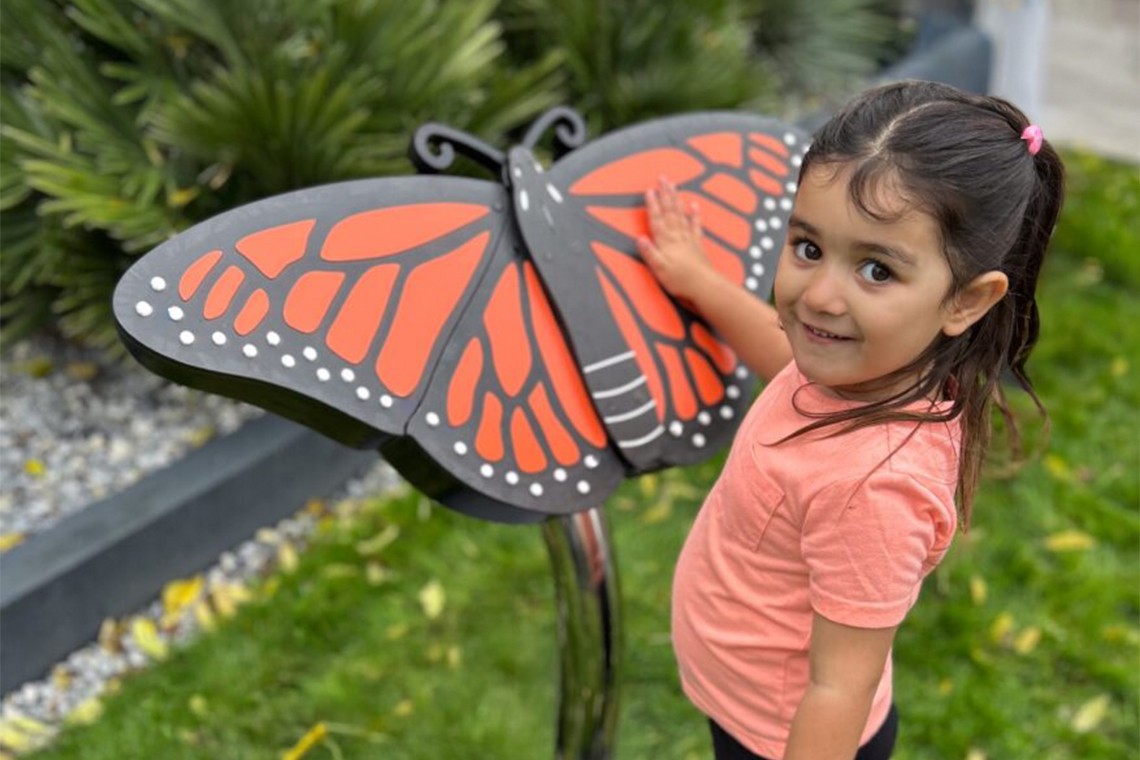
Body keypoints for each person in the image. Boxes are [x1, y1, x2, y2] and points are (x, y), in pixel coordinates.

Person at [636, 79, 1064, 760]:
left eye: (875, 269)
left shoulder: (873, 488)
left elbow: (840, 685)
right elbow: (782, 358)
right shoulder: (859, 371)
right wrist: (699, 282)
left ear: (967, 300)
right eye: (808, 248)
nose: (820, 297)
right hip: (748, 702)